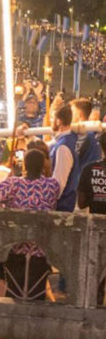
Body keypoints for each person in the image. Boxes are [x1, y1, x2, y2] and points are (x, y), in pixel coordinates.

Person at [0, 149, 60, 301]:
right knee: (37, 296)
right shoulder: (52, 185)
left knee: (14, 293)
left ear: (24, 164)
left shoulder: (13, 184)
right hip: (41, 249)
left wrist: (5, 206)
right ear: (43, 166)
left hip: (16, 248)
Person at [78, 131, 106, 304]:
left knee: (97, 269)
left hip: (97, 227)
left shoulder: (89, 169)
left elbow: (81, 203)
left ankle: (96, 301)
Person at [49, 105, 79, 212]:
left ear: (58, 121)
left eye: (52, 118)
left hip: (62, 206)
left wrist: (49, 202)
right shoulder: (69, 140)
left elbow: (59, 183)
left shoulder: (63, 146)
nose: (50, 121)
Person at [71, 98, 102, 171]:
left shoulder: (83, 136)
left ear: (79, 115)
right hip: (92, 177)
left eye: (71, 112)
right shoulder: (95, 133)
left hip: (80, 178)